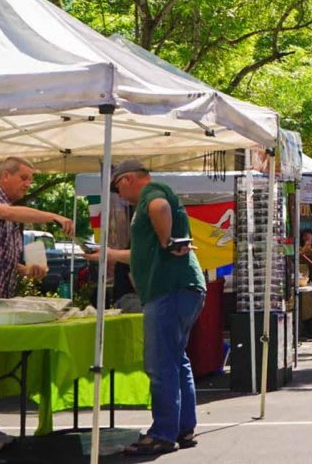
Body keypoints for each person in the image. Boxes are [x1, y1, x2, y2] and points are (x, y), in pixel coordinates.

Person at [0, 156, 73, 454]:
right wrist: (52, 216)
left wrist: (28, 270)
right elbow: (6, 212)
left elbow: (7, 261)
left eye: (30, 179)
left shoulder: (10, 221)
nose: (28, 184)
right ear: (4, 176)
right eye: (23, 177)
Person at [98, 160, 205, 455]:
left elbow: (160, 208)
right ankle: (183, 427)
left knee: (160, 363)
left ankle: (162, 433)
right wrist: (107, 255)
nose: (119, 194)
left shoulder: (152, 194)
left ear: (129, 178)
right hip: (183, 288)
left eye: (118, 186)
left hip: (168, 291)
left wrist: (165, 238)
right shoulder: (154, 195)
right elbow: (141, 255)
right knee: (175, 359)